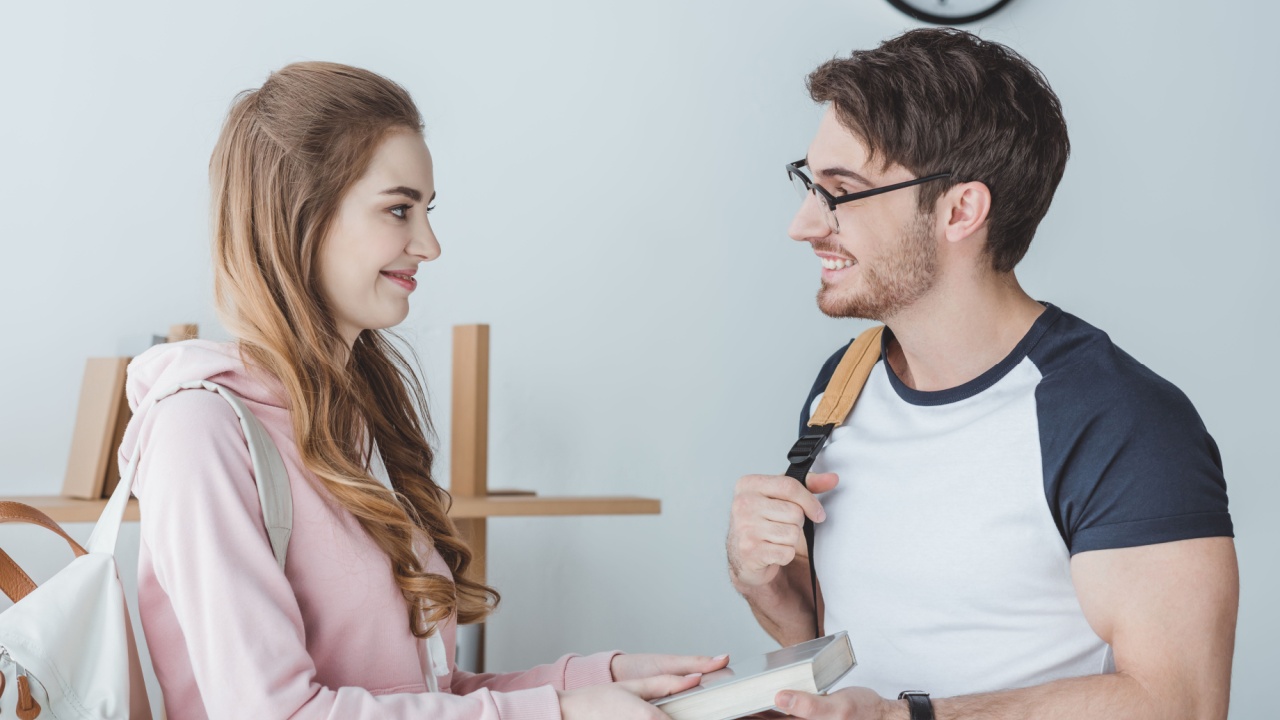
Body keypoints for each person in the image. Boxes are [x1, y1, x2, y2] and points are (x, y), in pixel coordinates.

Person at [121, 61, 726, 719]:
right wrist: (560, 713)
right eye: (399, 209)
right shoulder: (199, 432)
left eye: (427, 211)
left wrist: (597, 679)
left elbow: (422, 702)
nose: (430, 244)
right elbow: (278, 714)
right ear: (298, 213)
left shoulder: (354, 420)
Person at [726, 29, 1237, 720]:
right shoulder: (842, 386)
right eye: (810, 183)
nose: (803, 224)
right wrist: (776, 596)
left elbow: (1179, 701)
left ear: (961, 210)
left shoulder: (1118, 420)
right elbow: (854, 659)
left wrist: (913, 717)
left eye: (840, 192)